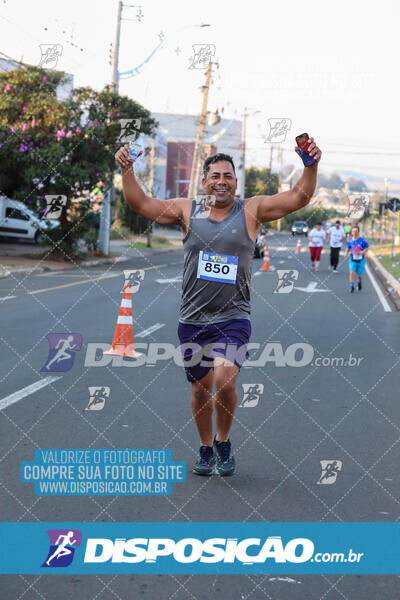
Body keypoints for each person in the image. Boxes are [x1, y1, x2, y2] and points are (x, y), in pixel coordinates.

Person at [115, 137, 322, 476]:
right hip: (193, 320)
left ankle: (223, 442)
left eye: (228, 176)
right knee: (200, 389)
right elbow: (141, 204)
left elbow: (299, 197)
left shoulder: (251, 210)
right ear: (204, 181)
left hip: (234, 317)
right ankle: (205, 446)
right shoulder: (187, 210)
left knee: (225, 380)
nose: (221, 181)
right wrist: (127, 170)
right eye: (215, 176)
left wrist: (310, 166)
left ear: (235, 183)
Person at [343, 225, 369, 292]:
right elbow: (348, 248)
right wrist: (346, 253)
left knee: (359, 275)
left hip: (361, 260)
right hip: (352, 259)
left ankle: (359, 282)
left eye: (356, 231)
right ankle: (352, 286)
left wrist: (363, 251)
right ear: (351, 232)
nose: (355, 232)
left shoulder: (363, 240)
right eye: (353, 231)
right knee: (351, 272)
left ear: (358, 232)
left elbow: (367, 247)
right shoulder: (350, 241)